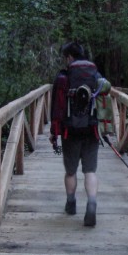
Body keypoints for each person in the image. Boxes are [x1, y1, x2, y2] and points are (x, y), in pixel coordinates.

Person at [49, 41, 102, 227]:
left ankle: (71, 203)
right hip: (92, 129)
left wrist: (54, 133)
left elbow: (57, 107)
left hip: (69, 130)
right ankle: (92, 202)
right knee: (90, 170)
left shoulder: (64, 77)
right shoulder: (95, 74)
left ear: (70, 57)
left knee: (71, 171)